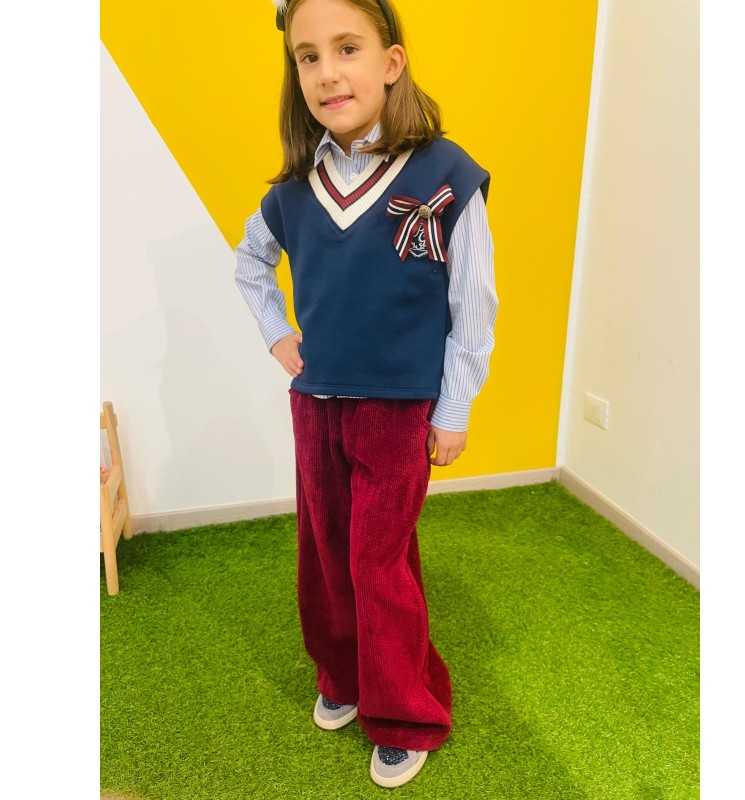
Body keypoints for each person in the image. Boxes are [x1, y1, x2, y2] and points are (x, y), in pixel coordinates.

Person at [234, 0, 498, 788]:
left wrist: (454, 408)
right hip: (316, 403)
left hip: (398, 408)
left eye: (346, 48)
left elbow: (473, 302)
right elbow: (250, 264)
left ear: (391, 62)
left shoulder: (445, 174)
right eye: (308, 56)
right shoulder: (293, 190)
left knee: (379, 561)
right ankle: (341, 675)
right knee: (324, 552)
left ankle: (406, 713)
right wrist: (278, 336)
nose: (327, 72)